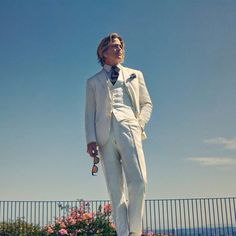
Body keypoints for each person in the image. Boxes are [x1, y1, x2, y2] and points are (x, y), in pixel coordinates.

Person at [85, 32, 152, 236]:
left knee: (139, 182)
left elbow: (146, 104)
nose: (119, 49)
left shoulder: (135, 74)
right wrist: (91, 140)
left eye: (120, 46)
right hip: (104, 137)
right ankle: (122, 233)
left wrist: (138, 125)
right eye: (114, 46)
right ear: (103, 52)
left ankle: (135, 232)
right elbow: (89, 114)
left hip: (130, 130)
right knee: (115, 191)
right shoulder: (93, 82)